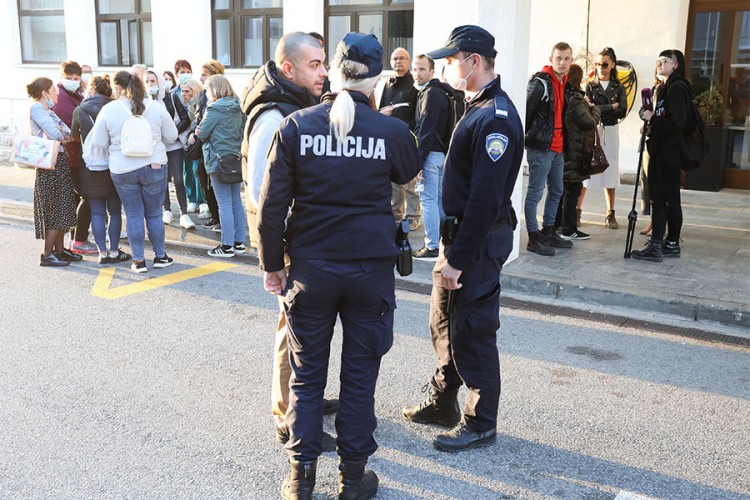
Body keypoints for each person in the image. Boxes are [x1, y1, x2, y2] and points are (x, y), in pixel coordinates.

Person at [258, 32, 420, 499]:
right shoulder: (390, 131)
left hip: (311, 269)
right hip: (369, 271)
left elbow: (272, 205)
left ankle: (300, 480)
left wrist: (273, 265)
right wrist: (381, 125)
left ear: (332, 69)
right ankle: (352, 480)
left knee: (307, 379)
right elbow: (408, 172)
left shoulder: (297, 125)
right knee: (359, 377)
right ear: (378, 79)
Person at [401, 25, 523, 453]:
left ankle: (480, 420)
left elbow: (486, 200)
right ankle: (442, 400)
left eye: (451, 59)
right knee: (444, 323)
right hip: (461, 242)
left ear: (474, 61)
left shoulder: (496, 118)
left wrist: (457, 260)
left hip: (477, 242)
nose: (446, 66)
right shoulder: (476, 105)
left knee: (473, 330)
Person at [239, 31, 337, 448]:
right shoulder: (274, 117)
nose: (324, 72)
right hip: (291, 244)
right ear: (288, 68)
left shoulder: (295, 104)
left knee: (302, 328)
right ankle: (287, 414)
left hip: (303, 240)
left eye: (324, 63)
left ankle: (304, 399)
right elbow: (266, 196)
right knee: (292, 327)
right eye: (314, 65)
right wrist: (274, 260)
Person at [87, 70, 179, 273]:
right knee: (154, 214)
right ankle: (160, 256)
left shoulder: (109, 109)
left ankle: (138, 261)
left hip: (123, 169)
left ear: (117, 87)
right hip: (154, 165)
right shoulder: (155, 107)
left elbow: (99, 142)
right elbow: (172, 136)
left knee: (133, 214)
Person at [633, 49, 692, 263]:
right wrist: (650, 127)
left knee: (664, 198)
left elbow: (677, 123)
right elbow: (663, 119)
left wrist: (653, 120)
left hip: (669, 152)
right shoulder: (664, 88)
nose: (659, 64)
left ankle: (662, 244)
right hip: (661, 148)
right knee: (663, 198)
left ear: (676, 65)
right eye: (658, 61)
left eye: (665, 61)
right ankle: (667, 243)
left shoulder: (677, 88)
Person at [72, 75, 130, 265]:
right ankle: (114, 251)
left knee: (96, 212)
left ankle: (102, 253)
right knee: (114, 212)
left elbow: (73, 136)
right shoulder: (115, 109)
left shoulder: (80, 110)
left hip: (89, 167)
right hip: (114, 164)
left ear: (92, 90)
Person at [524, 42, 574, 256]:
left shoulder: (565, 83)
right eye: (559, 58)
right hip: (541, 147)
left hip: (559, 146)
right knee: (535, 192)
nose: (562, 62)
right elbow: (525, 113)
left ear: (571, 61)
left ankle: (548, 231)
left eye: (566, 59)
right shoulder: (540, 83)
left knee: (557, 191)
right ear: (551, 59)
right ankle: (533, 238)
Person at [27, 77, 80, 267]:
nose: (57, 93)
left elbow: (67, 132)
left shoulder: (48, 111)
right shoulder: (37, 109)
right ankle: (47, 254)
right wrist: (62, 135)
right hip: (50, 167)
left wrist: (63, 134)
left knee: (63, 208)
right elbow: (58, 134)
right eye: (54, 90)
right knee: (55, 210)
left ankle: (60, 250)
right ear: (44, 93)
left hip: (59, 163)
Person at [196, 74, 247, 258]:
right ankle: (239, 242)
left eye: (208, 89)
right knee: (236, 202)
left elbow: (203, 134)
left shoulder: (214, 109)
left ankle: (226, 246)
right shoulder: (239, 107)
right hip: (234, 158)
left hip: (217, 160)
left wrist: (198, 131)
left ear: (214, 90)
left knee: (224, 202)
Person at [411, 53, 455, 259]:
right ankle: (443, 240)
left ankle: (431, 246)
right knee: (438, 200)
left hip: (430, 156)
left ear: (431, 71)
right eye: (415, 69)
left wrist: (417, 163)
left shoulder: (431, 94)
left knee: (428, 201)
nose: (417, 73)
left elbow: (425, 132)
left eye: (421, 69)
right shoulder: (442, 93)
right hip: (441, 155)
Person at [52, 60, 97, 255]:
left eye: (76, 78)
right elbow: (74, 128)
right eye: (69, 78)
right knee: (84, 196)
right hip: (70, 156)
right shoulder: (62, 97)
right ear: (62, 77)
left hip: (76, 155)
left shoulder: (75, 94)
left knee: (77, 197)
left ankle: (74, 240)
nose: (73, 81)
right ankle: (78, 239)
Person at [579, 47, 627, 229]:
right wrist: (610, 106)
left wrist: (602, 107)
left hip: (611, 130)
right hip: (594, 129)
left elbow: (622, 109)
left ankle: (610, 213)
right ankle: (577, 211)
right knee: (587, 170)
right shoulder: (590, 85)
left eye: (605, 64)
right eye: (598, 64)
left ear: (612, 64)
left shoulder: (618, 86)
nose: (601, 67)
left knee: (611, 171)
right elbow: (589, 109)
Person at [143, 70, 193, 229]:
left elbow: (185, 118)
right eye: (147, 82)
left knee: (178, 179)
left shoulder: (171, 97)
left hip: (174, 146)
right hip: (156, 149)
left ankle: (184, 213)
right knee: (161, 178)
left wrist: (173, 133)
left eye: (153, 81)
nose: (150, 84)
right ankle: (167, 209)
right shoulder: (143, 102)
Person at [557, 64, 601, 240]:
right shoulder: (574, 98)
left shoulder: (563, 94)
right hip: (574, 150)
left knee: (563, 189)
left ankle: (558, 226)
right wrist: (595, 109)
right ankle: (568, 228)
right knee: (572, 189)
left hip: (567, 147)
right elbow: (589, 122)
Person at [380, 47, 420, 230]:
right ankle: (396, 214)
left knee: (410, 181)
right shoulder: (387, 84)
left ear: (409, 61)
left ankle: (413, 216)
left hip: (408, 138)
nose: (398, 62)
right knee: (394, 181)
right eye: (395, 58)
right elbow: (380, 109)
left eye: (402, 58)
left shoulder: (415, 86)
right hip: (389, 139)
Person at [192, 59, 225, 230]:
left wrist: (200, 131)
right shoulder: (203, 95)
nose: (201, 77)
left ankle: (220, 218)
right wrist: (193, 132)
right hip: (202, 142)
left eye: (204, 74)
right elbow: (197, 116)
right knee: (202, 175)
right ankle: (215, 214)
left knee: (216, 183)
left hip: (215, 146)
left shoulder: (222, 97)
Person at [180, 79, 206, 215]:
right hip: (185, 142)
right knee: (187, 171)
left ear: (195, 91)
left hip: (196, 141)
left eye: (187, 91)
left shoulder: (200, 103)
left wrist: (192, 133)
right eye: (182, 91)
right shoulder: (183, 104)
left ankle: (201, 201)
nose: (184, 94)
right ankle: (192, 200)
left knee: (197, 170)